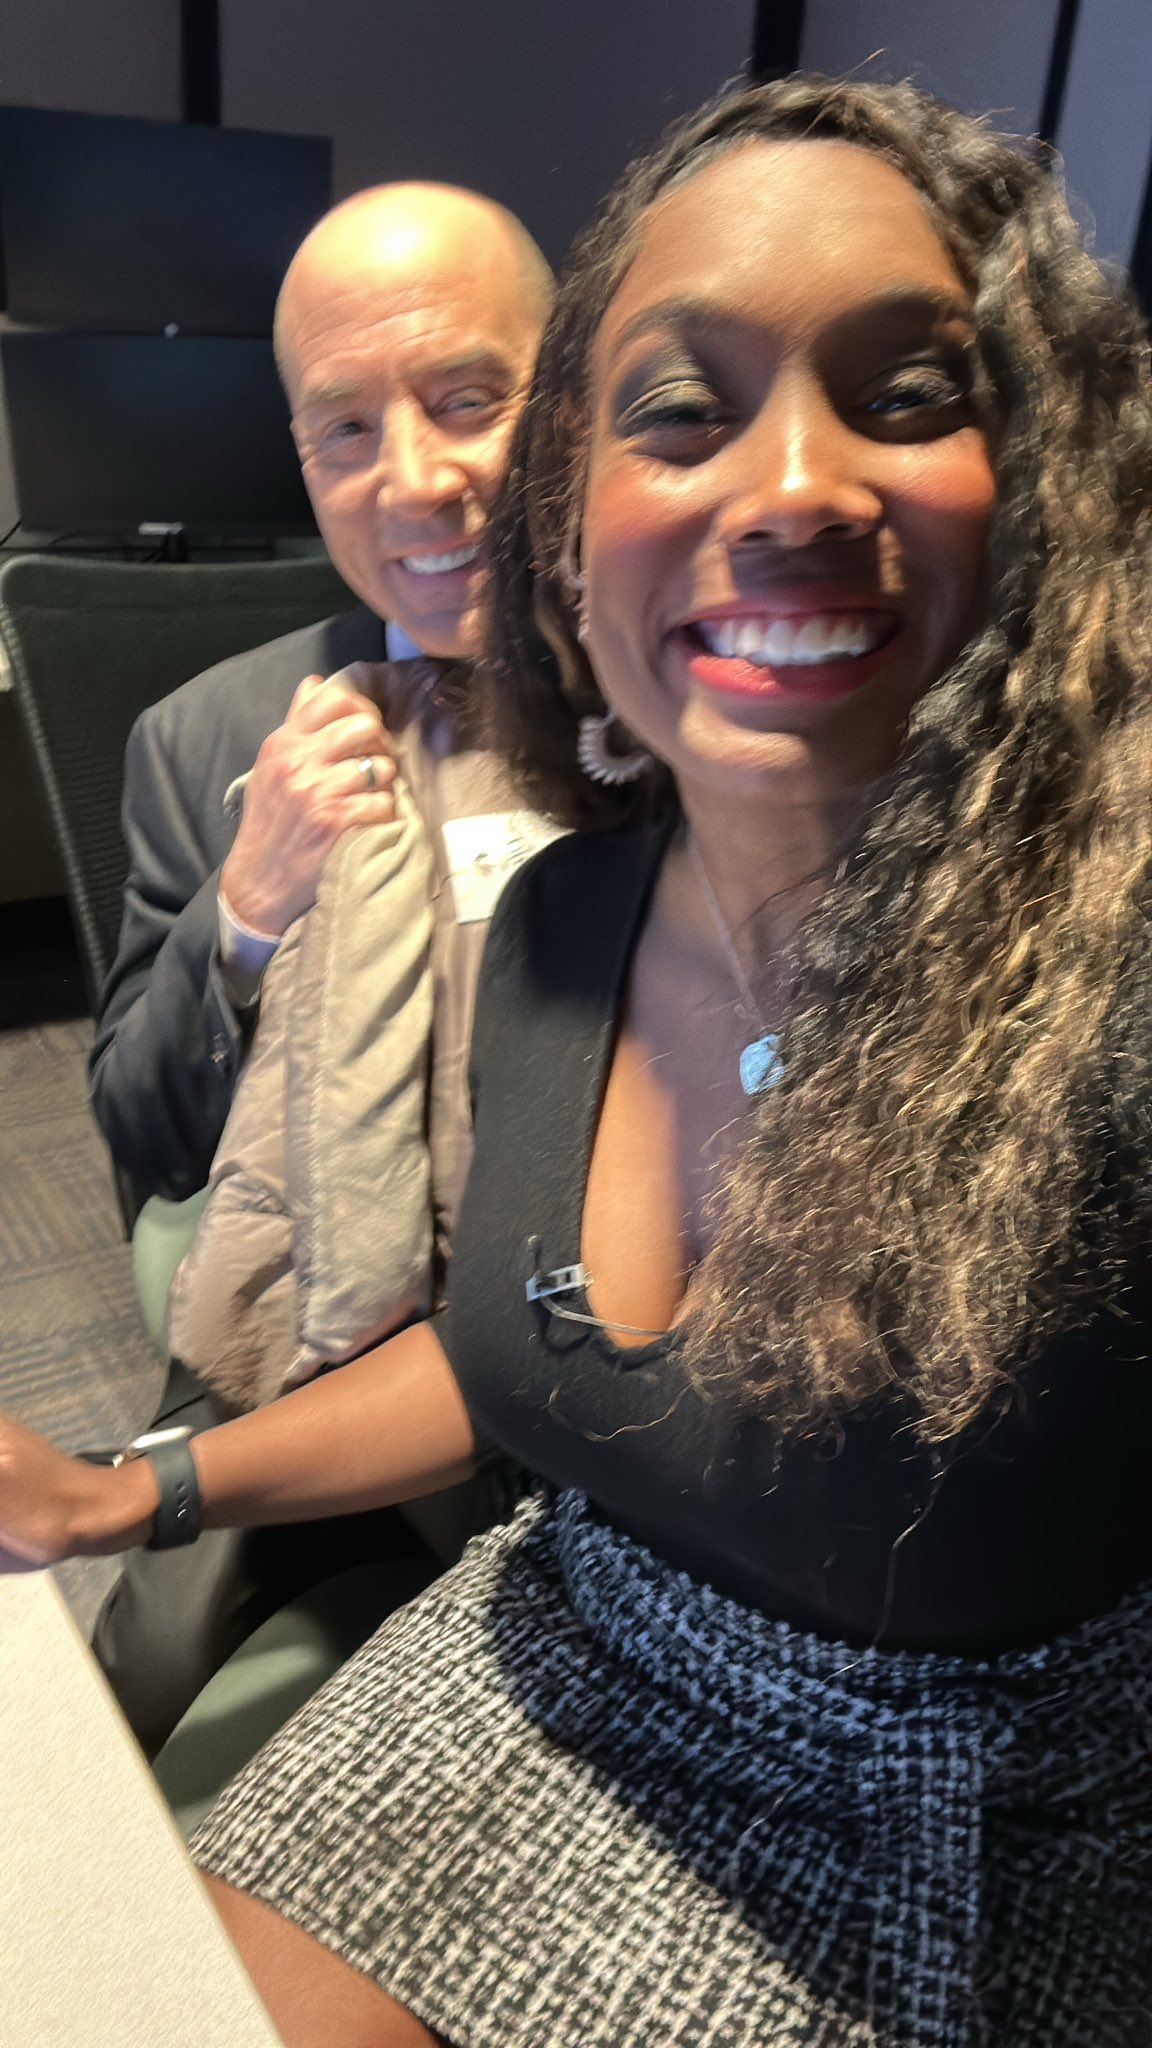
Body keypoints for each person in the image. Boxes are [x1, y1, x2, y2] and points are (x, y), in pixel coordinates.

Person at [5, 71, 1152, 2045]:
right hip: (555, 1626)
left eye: (907, 392)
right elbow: (462, 1323)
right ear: (578, 523)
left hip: (978, 1808)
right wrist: (138, 1486)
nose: (788, 487)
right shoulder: (553, 910)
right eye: (684, 410)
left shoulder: (1105, 976)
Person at [85, 182, 555, 1755]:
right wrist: (248, 905)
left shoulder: (682, 709)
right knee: (134, 1706)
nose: (414, 478)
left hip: (591, 1372)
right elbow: (146, 1134)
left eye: (470, 398)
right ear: (301, 457)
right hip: (298, 1338)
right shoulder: (206, 739)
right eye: (346, 427)